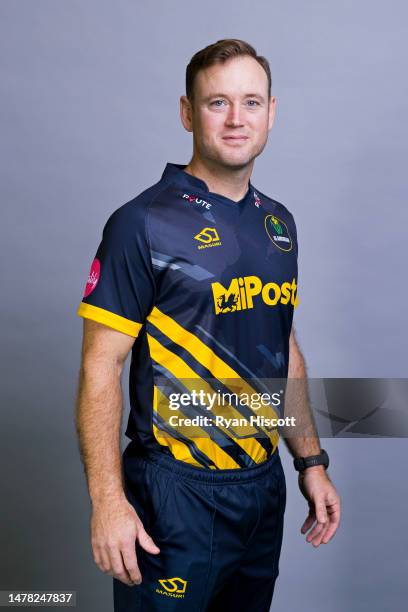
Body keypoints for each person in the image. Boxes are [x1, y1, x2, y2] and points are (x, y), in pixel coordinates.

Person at [75, 38, 341, 612]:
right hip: (175, 493)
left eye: (251, 102)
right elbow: (101, 366)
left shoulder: (279, 224)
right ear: (187, 112)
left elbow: (282, 350)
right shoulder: (141, 223)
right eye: (217, 102)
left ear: (273, 112)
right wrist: (107, 501)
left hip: (262, 486)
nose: (237, 118)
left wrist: (311, 462)